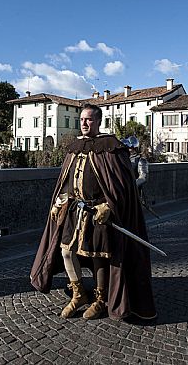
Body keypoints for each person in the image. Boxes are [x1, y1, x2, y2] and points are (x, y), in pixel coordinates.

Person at [30, 103, 157, 321]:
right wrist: (60, 200)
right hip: (73, 211)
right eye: (81, 120)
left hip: (99, 214)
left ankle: (100, 300)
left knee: (99, 256)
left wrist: (109, 206)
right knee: (67, 251)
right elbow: (66, 180)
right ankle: (78, 294)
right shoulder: (75, 147)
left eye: (89, 120)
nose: (84, 124)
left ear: (98, 121)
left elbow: (121, 185)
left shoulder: (111, 147)